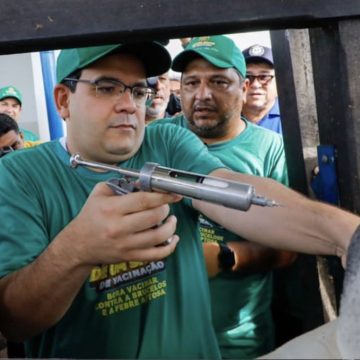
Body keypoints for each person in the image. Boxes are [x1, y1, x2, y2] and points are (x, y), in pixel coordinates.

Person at [0, 41, 359, 360]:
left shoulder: (167, 145)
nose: (128, 105)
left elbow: (229, 191)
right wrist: (76, 250)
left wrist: (349, 235)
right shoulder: (20, 175)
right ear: (63, 100)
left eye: (138, 91)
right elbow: (15, 320)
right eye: (107, 88)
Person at [153, 34, 295, 359]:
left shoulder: (270, 149)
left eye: (218, 81)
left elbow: (287, 250)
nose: (202, 95)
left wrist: (225, 257)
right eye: (191, 83)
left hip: (239, 342)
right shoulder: (156, 140)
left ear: (243, 89)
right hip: (163, 341)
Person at [241, 45, 282, 134]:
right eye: (247, 77)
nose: (255, 85)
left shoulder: (294, 118)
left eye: (264, 77)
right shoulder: (225, 116)